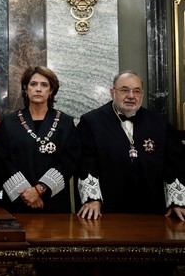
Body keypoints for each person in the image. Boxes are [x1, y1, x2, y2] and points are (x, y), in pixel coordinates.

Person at [77, 71, 185, 220]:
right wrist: (92, 199)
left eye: (137, 91)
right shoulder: (91, 122)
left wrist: (176, 202)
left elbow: (174, 163)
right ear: (112, 92)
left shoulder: (160, 123)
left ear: (142, 94)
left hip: (152, 208)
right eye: (124, 90)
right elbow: (87, 162)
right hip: (106, 208)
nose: (131, 96)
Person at [0, 66, 80, 213]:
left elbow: (69, 162)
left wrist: (40, 189)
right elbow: (2, 159)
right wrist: (27, 193)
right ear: (25, 89)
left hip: (54, 202)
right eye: (33, 84)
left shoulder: (66, 123)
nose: (38, 89)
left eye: (44, 85)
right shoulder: (9, 122)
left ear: (51, 90)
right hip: (18, 201)